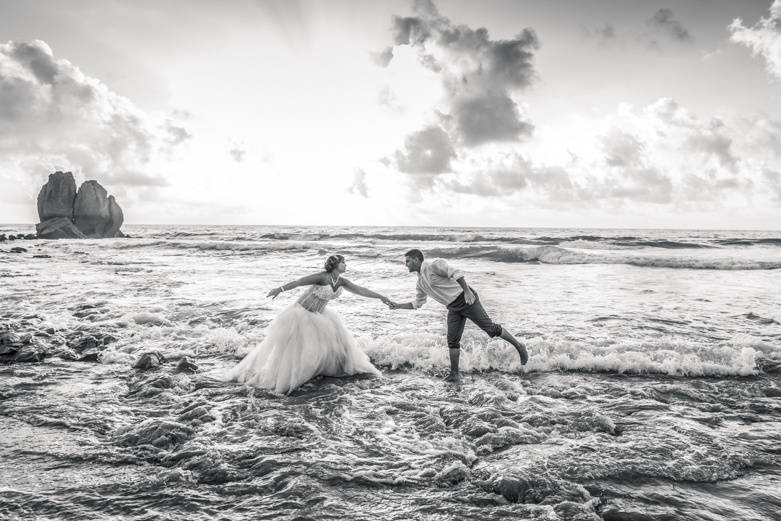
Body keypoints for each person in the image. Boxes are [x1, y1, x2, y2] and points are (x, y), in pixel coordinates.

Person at [225, 255, 387, 394]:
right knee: (296, 351)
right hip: (301, 314)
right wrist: (279, 289)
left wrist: (381, 297)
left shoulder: (342, 281)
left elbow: (361, 290)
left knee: (333, 346)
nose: (345, 265)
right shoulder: (321, 277)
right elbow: (298, 282)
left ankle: (325, 372)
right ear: (335, 265)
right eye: (343, 262)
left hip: (320, 315)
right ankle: (289, 378)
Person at [386, 249, 528, 383]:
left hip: (466, 299)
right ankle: (454, 374)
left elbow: (455, 273)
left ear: (417, 259)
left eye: (408, 261)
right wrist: (397, 305)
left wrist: (467, 291)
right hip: (453, 308)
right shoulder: (420, 283)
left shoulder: (433, 266)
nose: (406, 264)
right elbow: (418, 303)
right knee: (452, 341)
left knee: (490, 329)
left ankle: (519, 346)